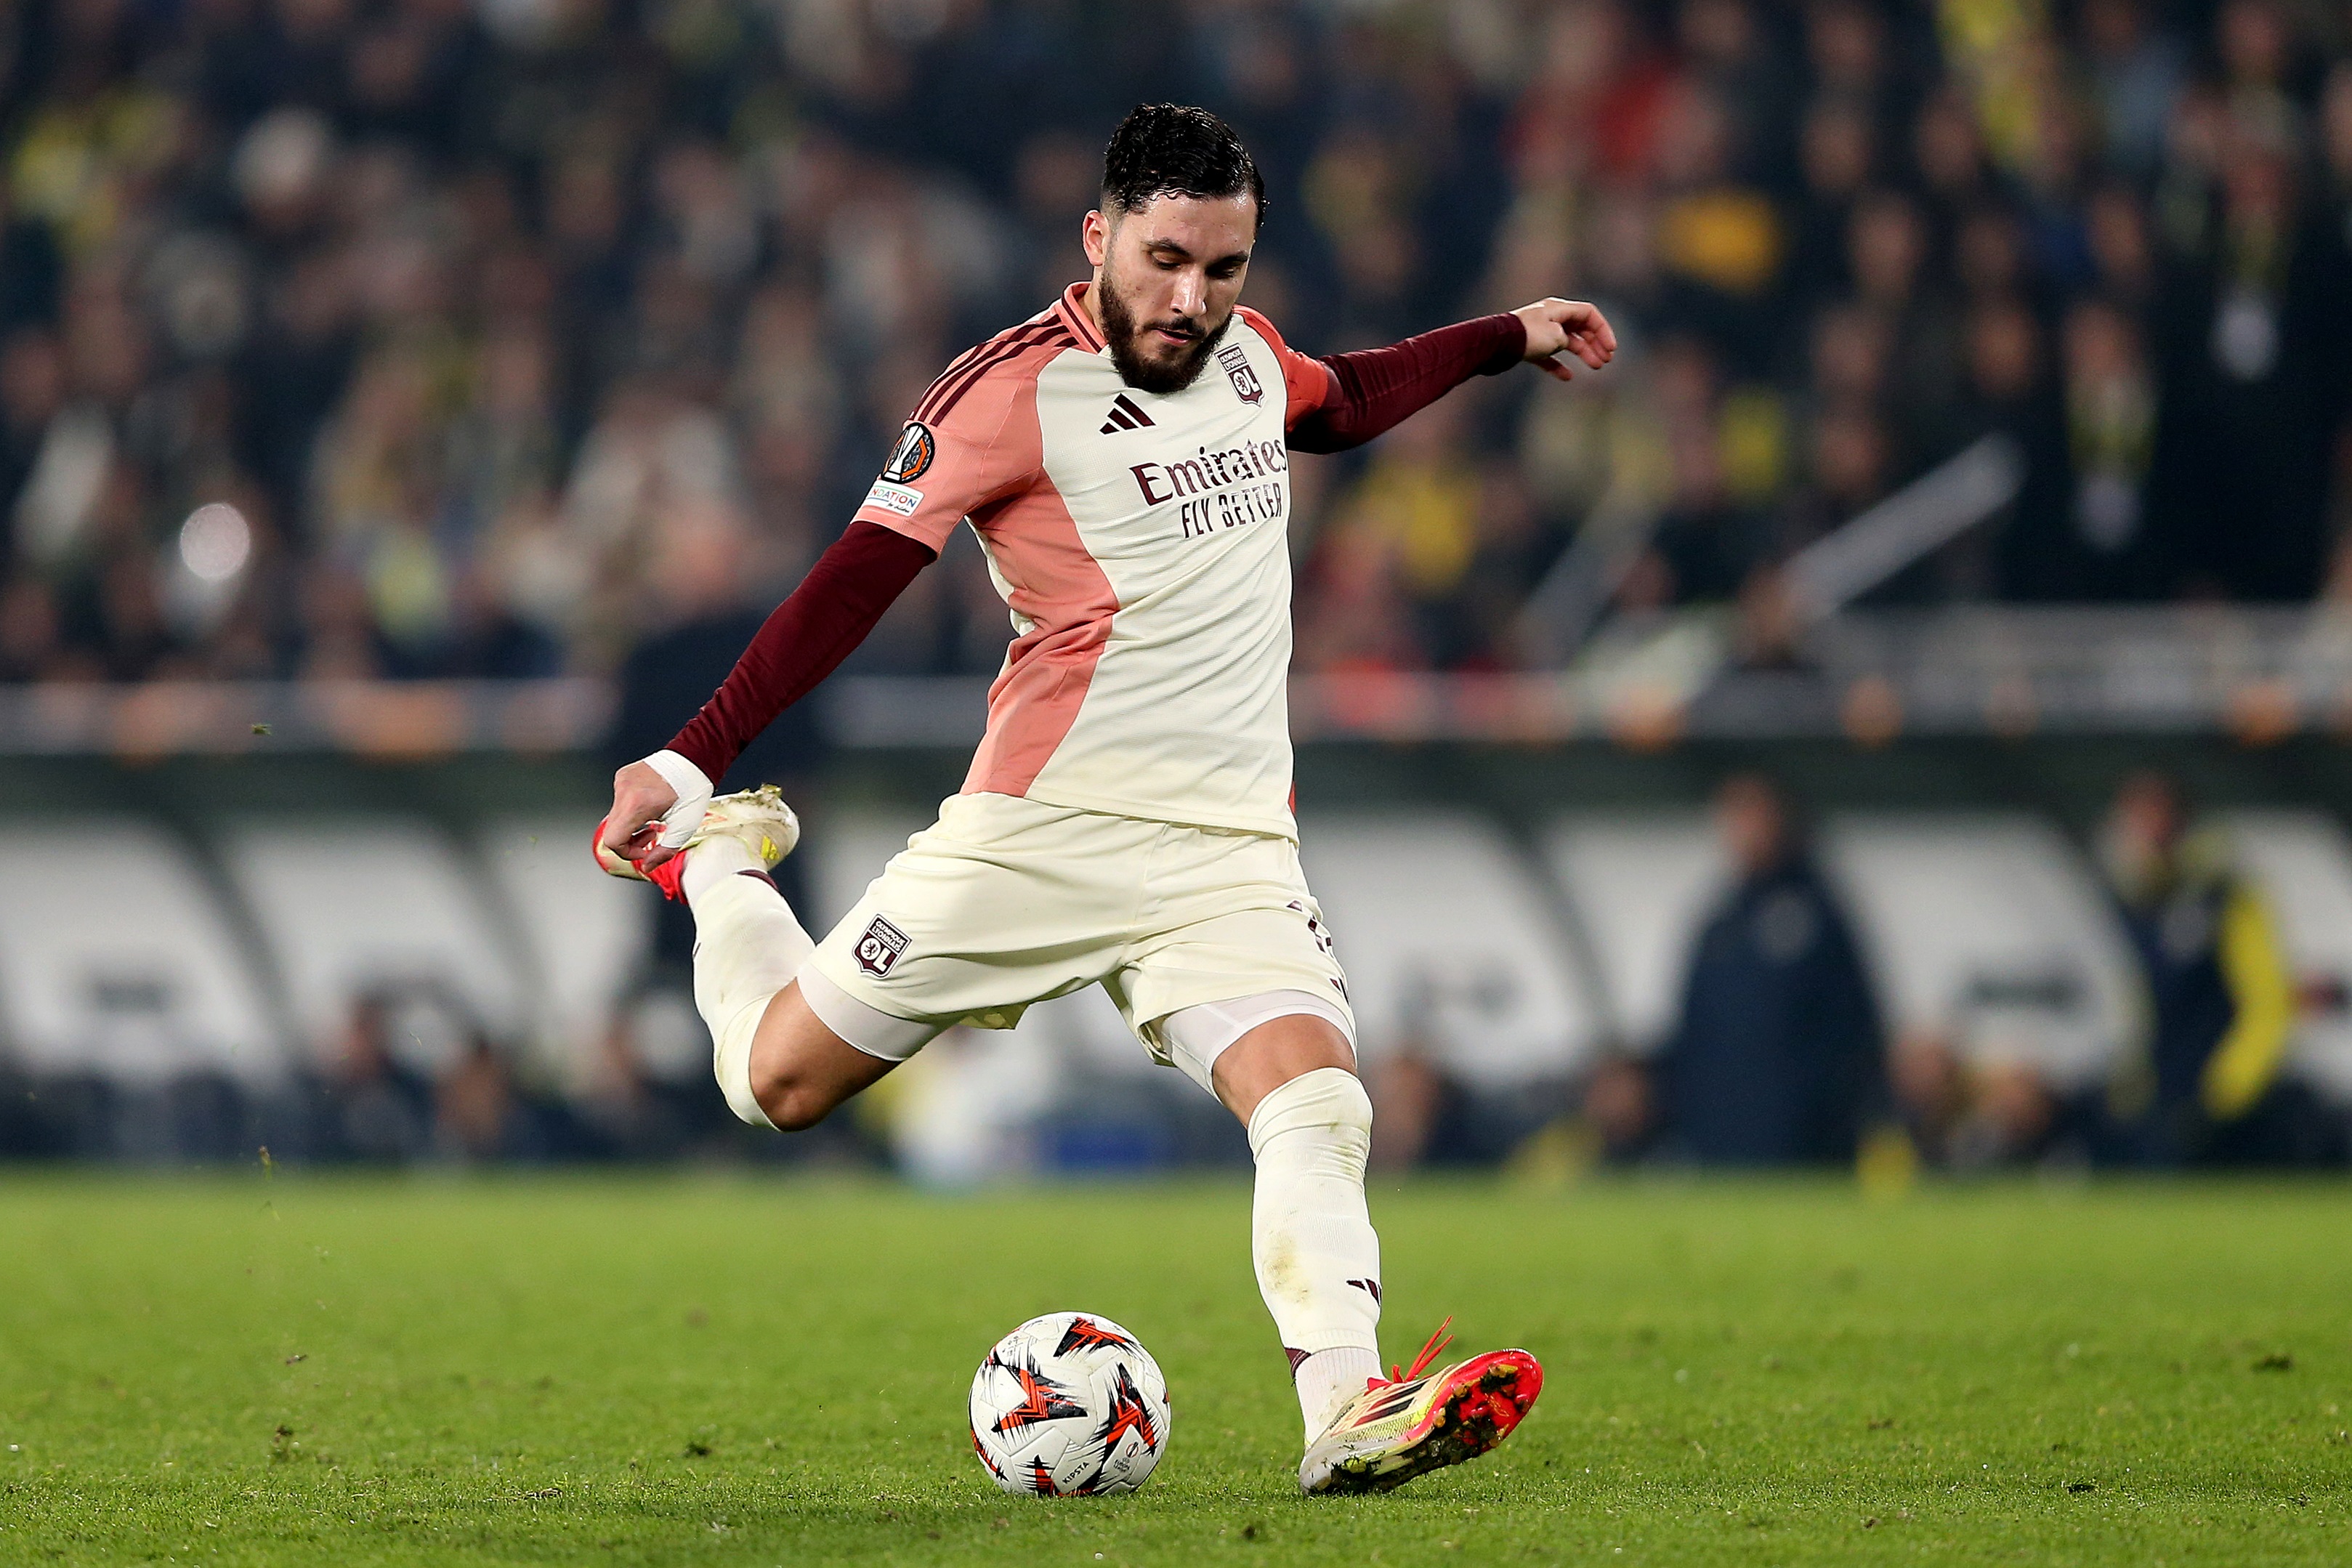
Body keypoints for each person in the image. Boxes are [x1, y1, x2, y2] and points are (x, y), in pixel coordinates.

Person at [594, 105, 1616, 1496]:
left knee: (1315, 1097)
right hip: (1042, 831)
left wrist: (1507, 333)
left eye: (1225, 267)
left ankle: (1347, 1405)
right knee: (774, 1082)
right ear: (1098, 237)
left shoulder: (1251, 361)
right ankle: (721, 863)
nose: (1190, 301)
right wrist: (693, 758)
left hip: (1230, 846)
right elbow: (848, 585)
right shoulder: (1004, 391)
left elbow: (1349, 398)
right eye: (1164, 260)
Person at [1586, 775, 1884, 1165]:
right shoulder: (1720, 920)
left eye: (1753, 814)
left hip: (1802, 1144)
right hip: (1714, 1138)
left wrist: (1834, 1116)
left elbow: (1853, 1027)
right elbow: (1691, 1028)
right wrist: (1643, 1075)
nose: (1742, 830)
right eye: (1733, 816)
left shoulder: (1819, 914)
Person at [2096, 772, 2329, 1165]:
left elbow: (2267, 1003)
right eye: (2136, 817)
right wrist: (2132, 1078)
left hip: (2224, 1104)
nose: (2146, 829)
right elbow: (2136, 1005)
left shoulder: (2225, 895)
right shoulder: (2130, 902)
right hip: (2161, 1098)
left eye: (2155, 814)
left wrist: (2227, 1090)